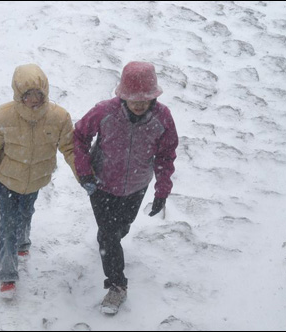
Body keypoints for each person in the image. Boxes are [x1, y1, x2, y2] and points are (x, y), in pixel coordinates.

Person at [74, 61, 178, 314]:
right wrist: (85, 171)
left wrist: (161, 191)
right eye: (134, 99)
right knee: (109, 234)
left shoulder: (163, 118)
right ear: (122, 96)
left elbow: (166, 155)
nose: (140, 104)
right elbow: (79, 136)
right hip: (102, 186)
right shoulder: (104, 112)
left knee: (121, 228)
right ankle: (117, 285)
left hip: (137, 186)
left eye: (145, 99)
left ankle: (109, 242)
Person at [0, 63, 76, 297]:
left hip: (35, 181)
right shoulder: (2, 116)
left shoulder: (59, 117)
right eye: (27, 95)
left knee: (26, 213)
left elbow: (70, 148)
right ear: (17, 94)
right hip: (7, 181)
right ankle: (8, 275)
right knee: (8, 225)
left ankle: (23, 244)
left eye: (38, 94)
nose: (33, 100)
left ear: (45, 92)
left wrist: (85, 177)